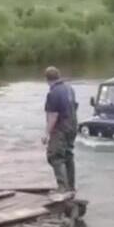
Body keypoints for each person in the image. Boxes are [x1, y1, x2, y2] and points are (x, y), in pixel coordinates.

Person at [42, 66, 77, 195]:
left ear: (47, 79)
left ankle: (62, 188)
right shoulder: (69, 89)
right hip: (72, 126)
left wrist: (46, 133)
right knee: (68, 155)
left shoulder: (53, 93)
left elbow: (53, 116)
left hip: (61, 128)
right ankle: (71, 186)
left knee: (55, 156)